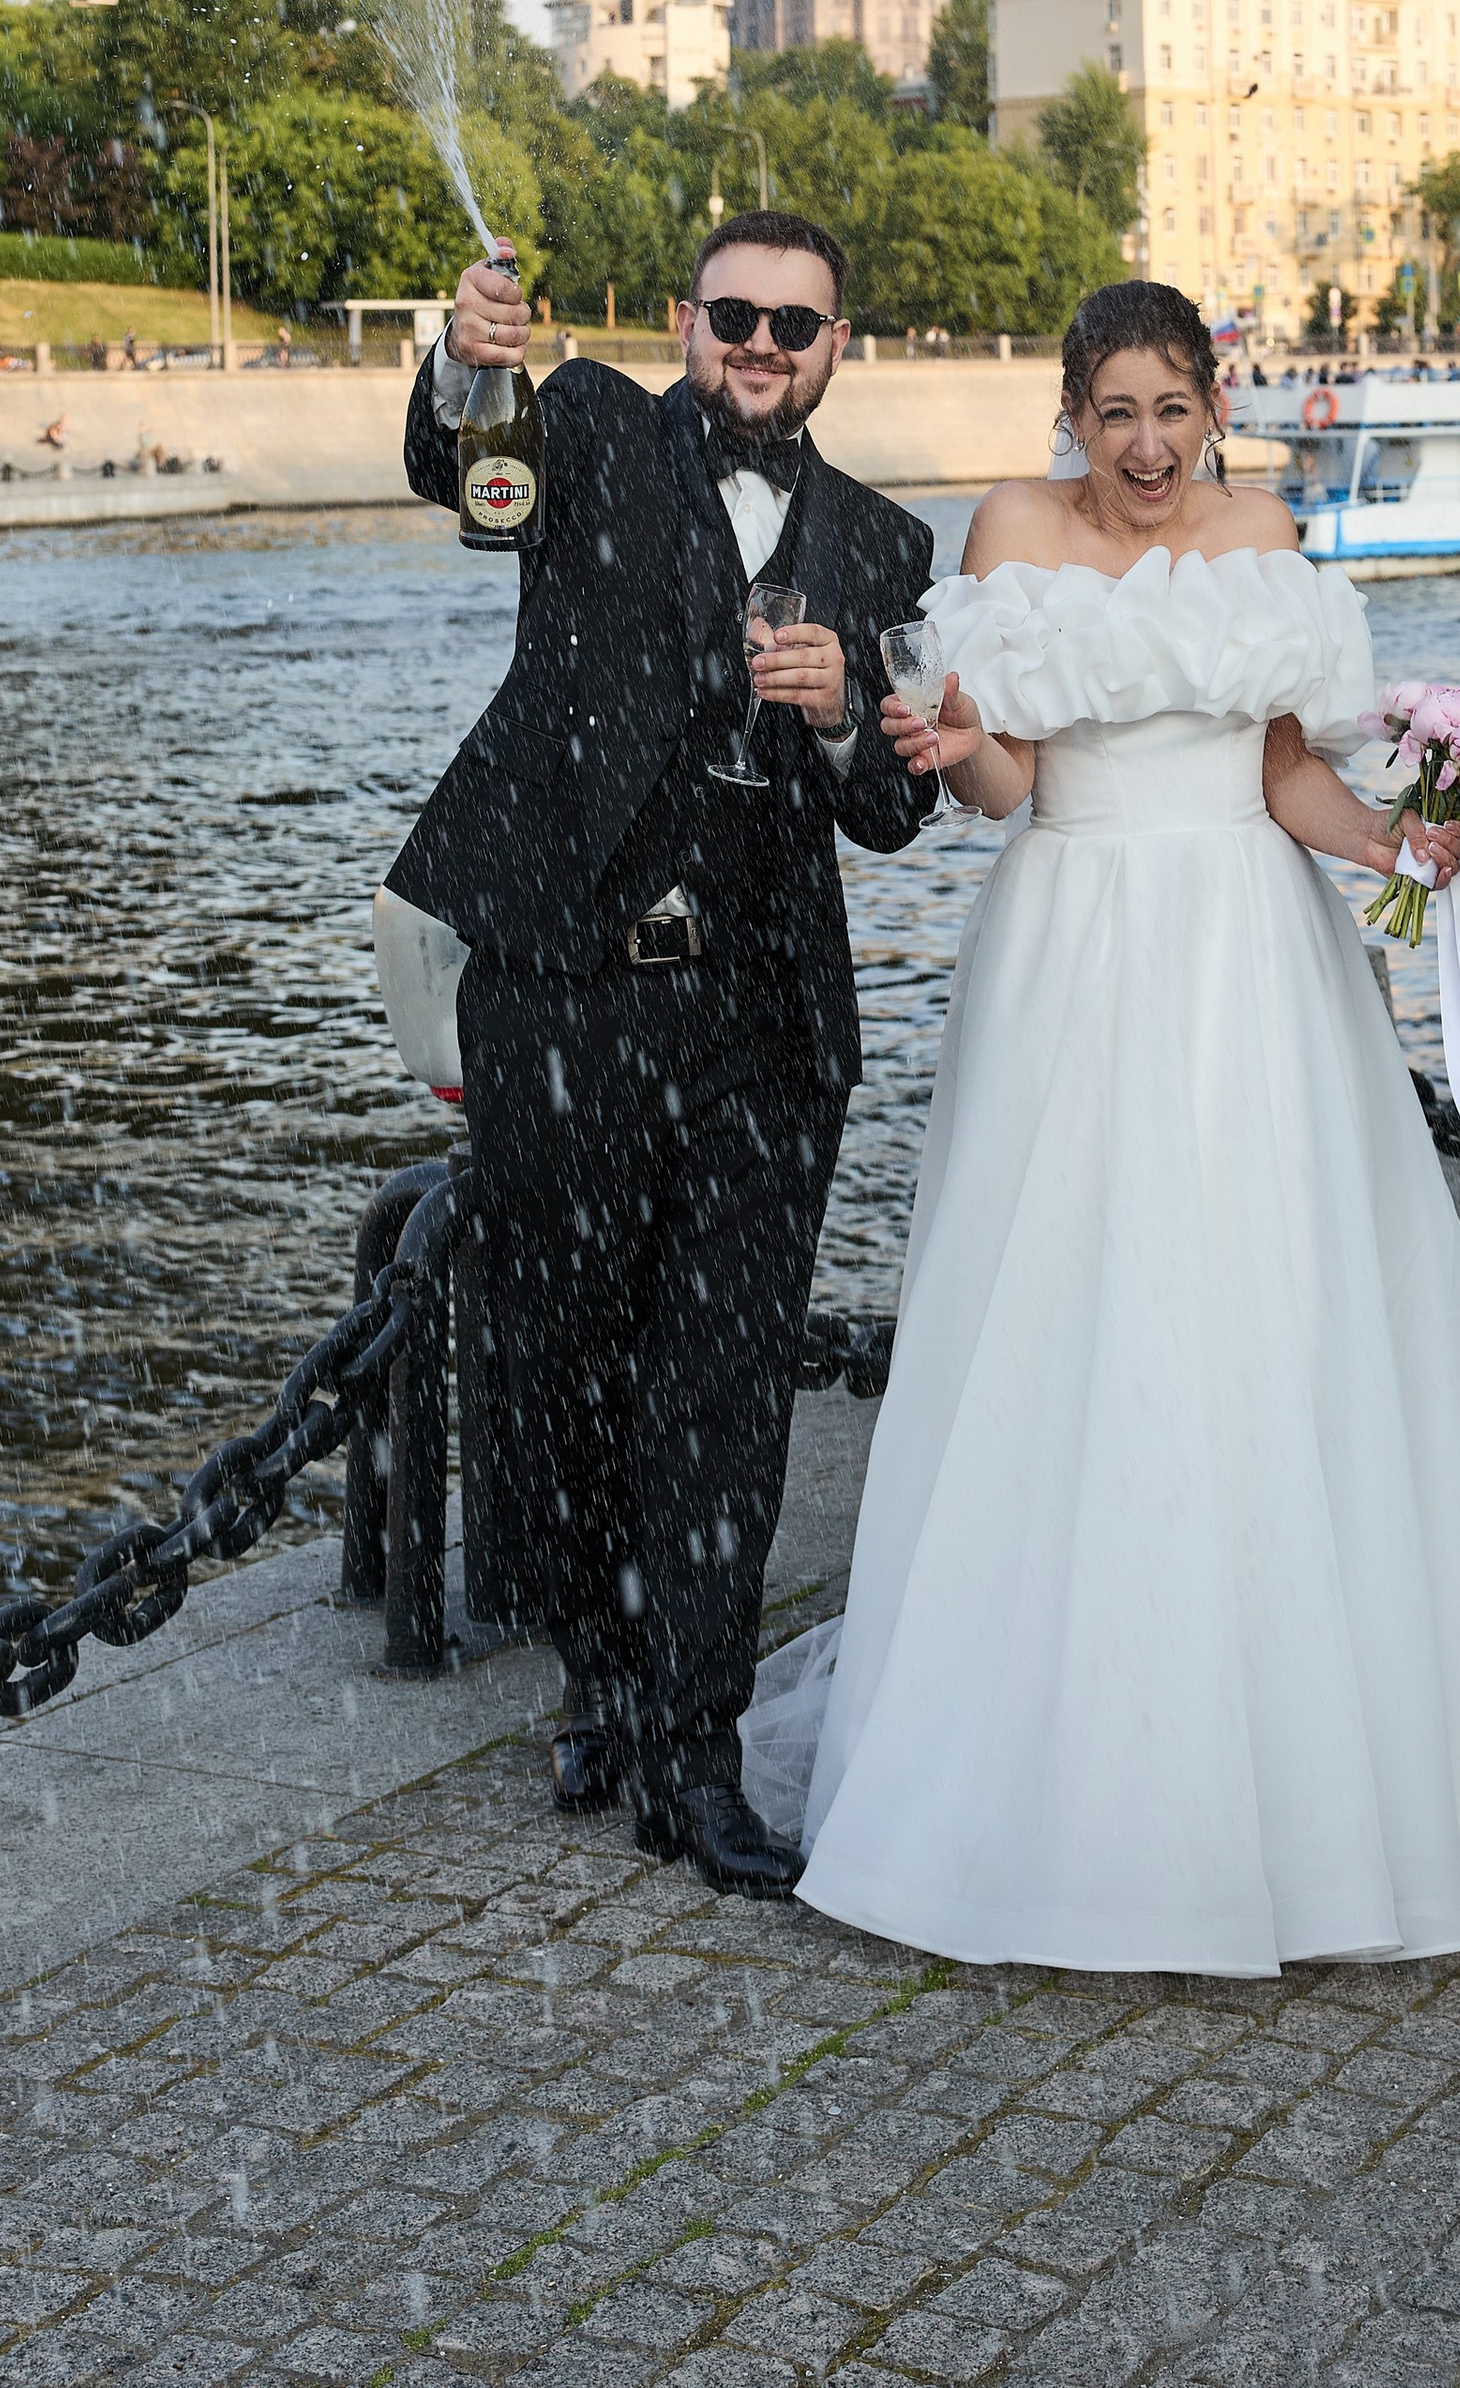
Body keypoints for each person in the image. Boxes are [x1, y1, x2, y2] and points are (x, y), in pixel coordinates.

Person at [745, 276, 1460, 1972]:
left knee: (1276, 1315)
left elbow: (1282, 775)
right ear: (1071, 413)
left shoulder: (1268, 529)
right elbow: (1006, 777)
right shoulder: (1012, 527)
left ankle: (1313, 1770)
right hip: (1076, 949)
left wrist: (1405, 846)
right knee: (1078, 1320)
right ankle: (1072, 1793)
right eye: (1115, 410)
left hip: (1256, 957)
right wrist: (954, 744)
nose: (1148, 444)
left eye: (1173, 409)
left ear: (1213, 406)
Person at [388, 211, 937, 1894]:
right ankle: (600, 1676)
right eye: (734, 317)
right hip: (564, 989)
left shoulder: (887, 547)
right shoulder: (597, 434)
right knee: (560, 1360)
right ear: (686, 319)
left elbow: (902, 806)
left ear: (841, 346)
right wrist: (461, 357)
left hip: (766, 1022)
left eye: (797, 323)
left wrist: (845, 704)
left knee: (723, 1383)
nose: (761, 346)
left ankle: (697, 1754)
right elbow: (459, 470)